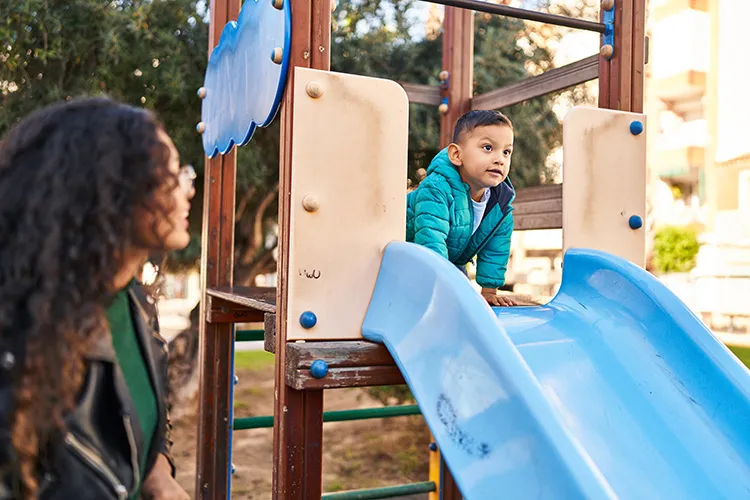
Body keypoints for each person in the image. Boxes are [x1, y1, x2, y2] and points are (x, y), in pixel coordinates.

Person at [0, 97, 194, 499]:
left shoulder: (132, 301)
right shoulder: (18, 333)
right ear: (111, 190)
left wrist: (156, 471)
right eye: (172, 174)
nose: (188, 189)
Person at [406, 109, 517, 306]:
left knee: (466, 302)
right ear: (457, 155)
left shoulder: (500, 206)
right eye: (488, 148)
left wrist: (489, 291)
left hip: (450, 264)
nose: (500, 158)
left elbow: (495, 250)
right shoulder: (436, 189)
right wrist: (444, 286)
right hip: (407, 258)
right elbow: (431, 240)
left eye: (506, 151)